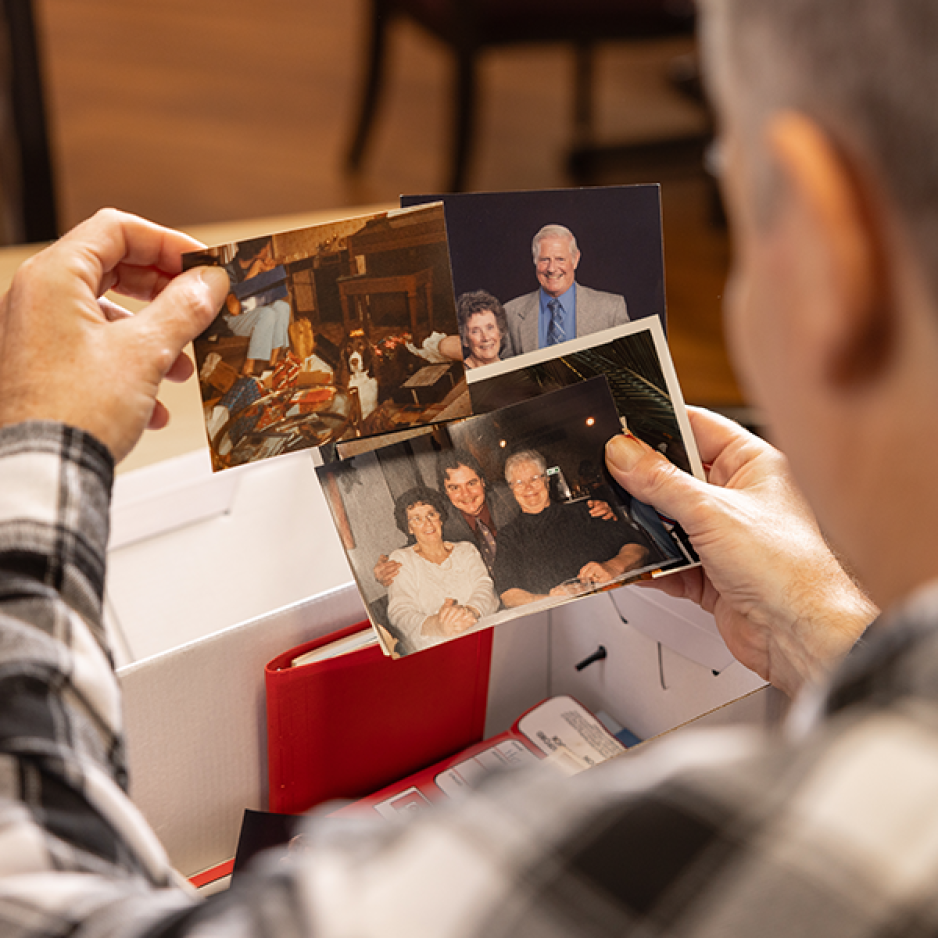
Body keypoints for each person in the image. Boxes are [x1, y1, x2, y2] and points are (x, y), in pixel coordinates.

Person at [0, 0, 935, 926]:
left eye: (733, 186)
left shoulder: (677, 854)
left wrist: (43, 437)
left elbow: (38, 908)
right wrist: (822, 626)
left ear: (825, 256)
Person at [374, 448, 615, 584]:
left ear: (483, 481)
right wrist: (388, 566)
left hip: (530, 584)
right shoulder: (442, 520)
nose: (465, 495)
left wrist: (594, 511)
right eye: (454, 488)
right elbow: (416, 542)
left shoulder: (510, 496)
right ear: (445, 492)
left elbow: (547, 504)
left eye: (471, 483)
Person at [493, 449, 654, 607]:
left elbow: (638, 546)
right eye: (519, 482)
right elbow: (509, 595)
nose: (528, 487)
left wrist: (613, 567)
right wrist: (551, 599)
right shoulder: (508, 537)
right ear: (511, 488)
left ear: (547, 480)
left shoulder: (585, 512)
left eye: (534, 478)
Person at [385, 486, 499, 654]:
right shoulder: (401, 559)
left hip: (483, 633)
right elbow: (399, 611)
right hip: (437, 647)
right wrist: (437, 625)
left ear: (441, 518)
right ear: (408, 527)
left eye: (431, 514)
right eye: (416, 519)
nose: (427, 523)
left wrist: (468, 612)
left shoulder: (466, 550)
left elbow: (485, 587)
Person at [502, 223, 629, 356]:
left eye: (560, 259)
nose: (551, 268)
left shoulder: (611, 310)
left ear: (575, 259)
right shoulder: (511, 314)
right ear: (535, 260)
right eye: (545, 260)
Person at [221, 236, 292, 375]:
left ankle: (273, 364)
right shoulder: (227, 271)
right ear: (255, 249)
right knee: (267, 314)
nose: (268, 250)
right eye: (266, 246)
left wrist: (269, 276)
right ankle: (248, 367)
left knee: (283, 307)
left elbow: (268, 299)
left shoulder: (260, 265)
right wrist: (254, 273)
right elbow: (234, 309)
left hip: (256, 314)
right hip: (233, 320)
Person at [456, 289, 508, 368]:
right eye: (475, 331)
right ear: (465, 340)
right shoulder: (461, 376)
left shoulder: (513, 366)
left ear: (500, 331)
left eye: (490, 328)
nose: (486, 338)